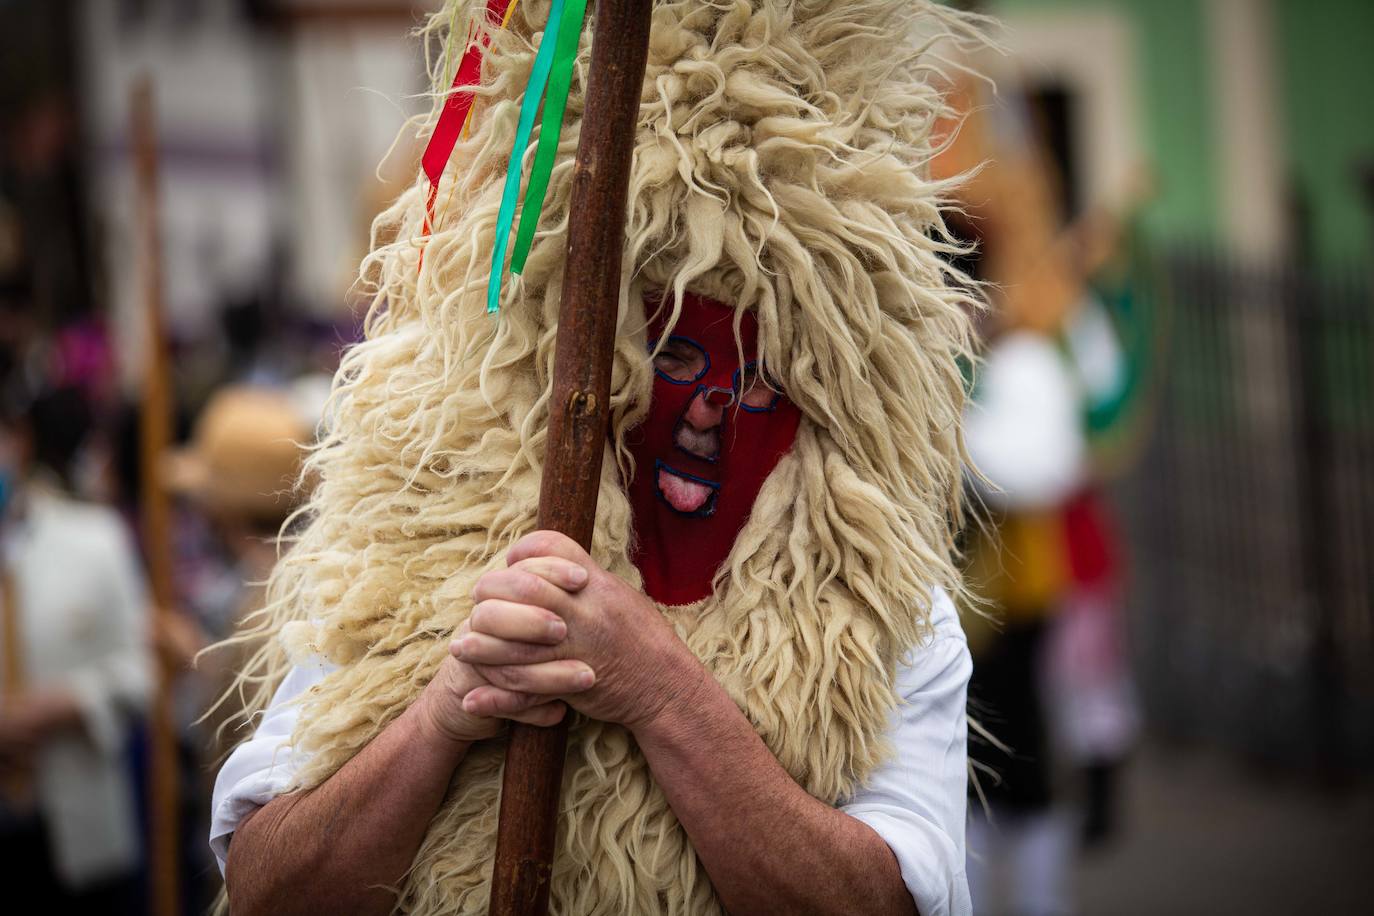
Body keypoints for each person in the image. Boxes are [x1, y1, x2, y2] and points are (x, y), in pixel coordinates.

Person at [211, 1, 985, 913]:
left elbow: (882, 902)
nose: (705, 411)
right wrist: (439, 713)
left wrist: (659, 693)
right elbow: (265, 890)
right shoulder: (406, 547)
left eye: (756, 381)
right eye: (678, 360)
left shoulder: (884, 610)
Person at [0, 386, 152, 913]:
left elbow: (145, 669)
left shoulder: (94, 540)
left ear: (18, 441)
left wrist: (70, 701)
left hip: (80, 833)